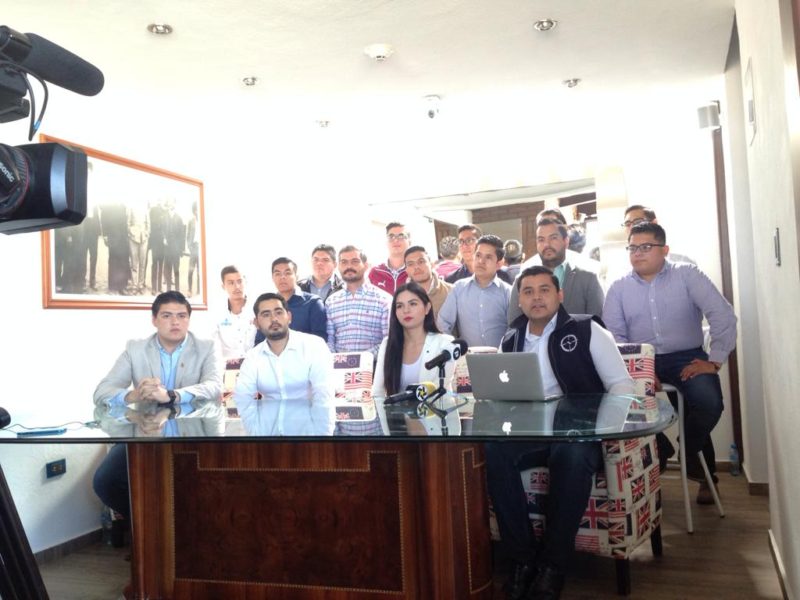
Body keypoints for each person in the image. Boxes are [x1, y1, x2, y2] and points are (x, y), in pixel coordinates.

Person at [489, 266, 634, 600]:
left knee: (571, 455)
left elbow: (621, 385)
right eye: (528, 291)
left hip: (578, 434)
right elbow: (501, 393)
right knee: (493, 451)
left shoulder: (587, 330)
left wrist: (603, 429)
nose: (536, 297)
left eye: (544, 289)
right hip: (530, 433)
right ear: (519, 300)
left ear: (560, 295)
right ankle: (522, 559)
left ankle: (553, 565)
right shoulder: (510, 339)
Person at [603, 222, 737, 505]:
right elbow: (615, 337)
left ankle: (689, 452)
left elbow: (722, 315)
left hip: (686, 356)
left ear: (664, 250)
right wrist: (638, 368)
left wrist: (714, 361)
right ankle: (660, 450)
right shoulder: (618, 288)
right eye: (632, 248)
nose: (637, 253)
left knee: (708, 403)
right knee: (625, 408)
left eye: (645, 247)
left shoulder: (687, 275)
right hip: (641, 357)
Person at [92, 291, 222, 519]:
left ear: (188, 319)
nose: (175, 322)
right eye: (167, 316)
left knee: (206, 485)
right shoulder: (136, 349)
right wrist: (132, 396)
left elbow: (214, 387)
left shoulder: (206, 347)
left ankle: (184, 529)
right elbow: (101, 392)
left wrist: (171, 395)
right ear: (154, 320)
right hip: (145, 437)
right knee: (106, 481)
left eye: (182, 316)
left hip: (194, 435)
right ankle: (149, 526)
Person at [234, 293, 335, 436]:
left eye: (278, 312)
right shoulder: (253, 357)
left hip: (307, 434)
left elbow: (324, 397)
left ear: (289, 317)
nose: (274, 319)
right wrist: (255, 434)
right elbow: (243, 397)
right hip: (267, 435)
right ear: (257, 323)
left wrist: (322, 440)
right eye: (266, 314)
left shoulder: (314, 346)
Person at [372, 282, 461, 435]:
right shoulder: (388, 344)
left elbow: (435, 390)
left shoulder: (445, 344)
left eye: (412, 304)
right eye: (399, 306)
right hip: (398, 429)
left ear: (427, 308)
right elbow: (378, 393)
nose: (406, 310)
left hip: (437, 426)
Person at [326, 245, 392, 434]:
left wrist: (360, 361)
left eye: (355, 261)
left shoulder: (383, 299)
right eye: (344, 262)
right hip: (339, 381)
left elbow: (389, 341)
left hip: (373, 379)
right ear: (338, 266)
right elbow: (330, 339)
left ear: (366, 265)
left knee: (374, 432)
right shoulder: (331, 301)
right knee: (343, 433)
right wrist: (341, 364)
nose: (349, 266)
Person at [507, 219, 604, 324]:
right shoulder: (522, 280)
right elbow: (514, 324)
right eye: (541, 240)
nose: (547, 244)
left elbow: (596, 324)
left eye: (553, 238)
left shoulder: (588, 279)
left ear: (566, 241)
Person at [437, 234, 512, 348]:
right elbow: (443, 322)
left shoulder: (507, 292)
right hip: (467, 357)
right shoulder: (459, 288)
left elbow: (513, 330)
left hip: (500, 356)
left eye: (488, 257)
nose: (481, 261)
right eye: (478, 255)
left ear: (499, 264)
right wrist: (453, 348)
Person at [255, 257, 326, 342]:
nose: (282, 277)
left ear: (296, 276)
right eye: (277, 274)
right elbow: (260, 340)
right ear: (272, 278)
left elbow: (320, 339)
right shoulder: (265, 306)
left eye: (287, 273)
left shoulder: (313, 303)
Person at [212, 265, 257, 363]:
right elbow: (213, 346)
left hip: (255, 365)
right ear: (223, 286)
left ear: (245, 282)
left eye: (240, 281)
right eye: (231, 283)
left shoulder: (257, 309)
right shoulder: (216, 314)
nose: (237, 287)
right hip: (228, 367)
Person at [621, 205, 695, 264]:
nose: (632, 227)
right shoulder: (622, 269)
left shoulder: (683, 262)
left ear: (654, 223)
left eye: (638, 222)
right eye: (627, 224)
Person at [446, 224, 514, 284]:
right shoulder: (452, 280)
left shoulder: (502, 274)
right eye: (461, 241)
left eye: (469, 240)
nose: (464, 245)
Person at [403, 245, 453, 320]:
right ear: (406, 270)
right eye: (410, 264)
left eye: (421, 262)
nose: (416, 267)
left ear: (432, 264)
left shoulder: (451, 292)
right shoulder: (401, 297)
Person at [368, 222, 410, 295]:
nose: (395, 240)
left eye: (401, 236)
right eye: (391, 236)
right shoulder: (375, 272)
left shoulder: (415, 271)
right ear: (386, 242)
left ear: (409, 241)